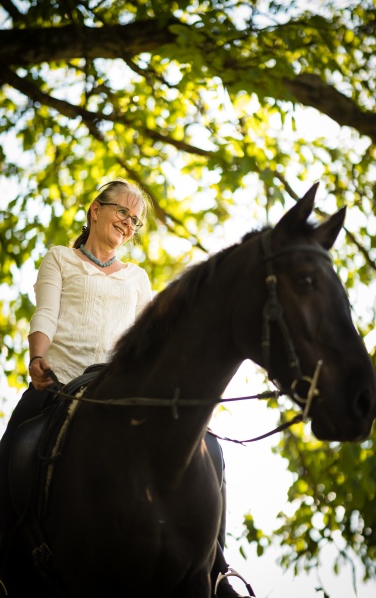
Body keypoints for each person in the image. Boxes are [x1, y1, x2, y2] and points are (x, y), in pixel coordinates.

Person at [0, 178, 248, 597]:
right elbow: (45, 315)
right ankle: (5, 569)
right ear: (95, 209)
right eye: (123, 212)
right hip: (57, 385)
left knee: (212, 450)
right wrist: (37, 358)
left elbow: (148, 344)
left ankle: (215, 567)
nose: (128, 223)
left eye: (135, 221)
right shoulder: (59, 259)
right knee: (14, 449)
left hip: (114, 389)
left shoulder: (136, 277)